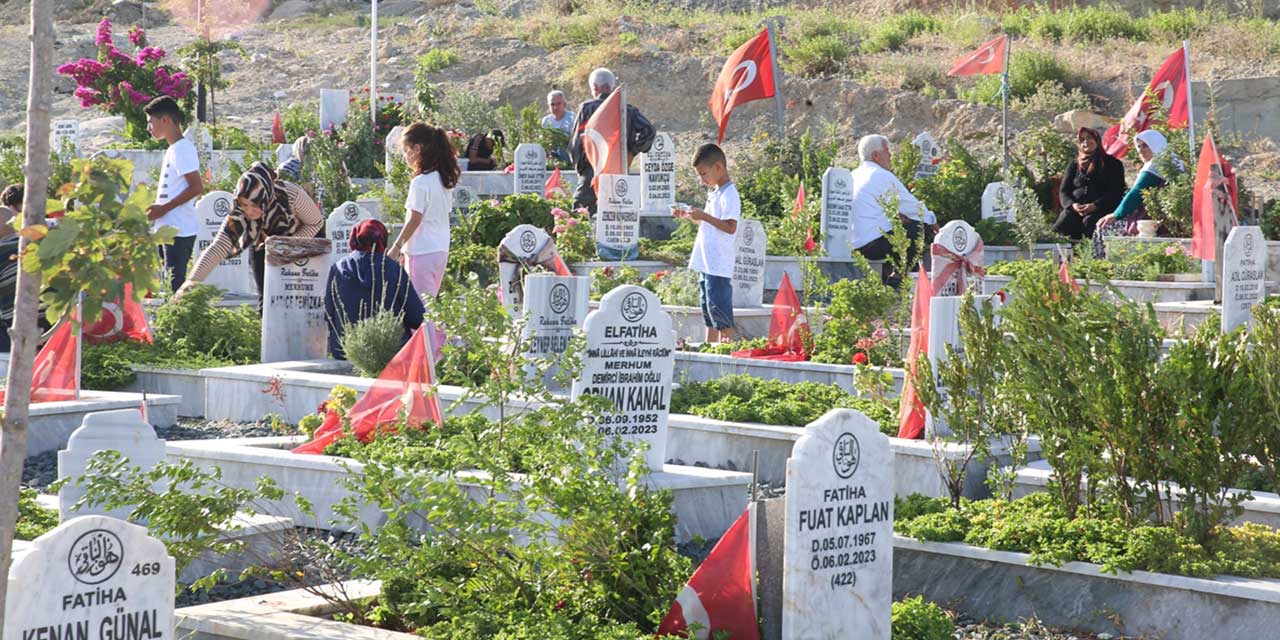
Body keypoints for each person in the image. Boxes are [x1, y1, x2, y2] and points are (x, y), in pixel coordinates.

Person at [175, 162, 324, 303]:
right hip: (263, 241)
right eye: (244, 205)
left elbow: (316, 222)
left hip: (304, 237)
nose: (249, 211)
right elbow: (219, 246)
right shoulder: (240, 213)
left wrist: (286, 247)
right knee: (266, 301)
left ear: (265, 198)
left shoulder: (292, 195)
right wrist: (191, 282)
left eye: (255, 205)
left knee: (300, 299)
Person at [324, 219, 425, 360]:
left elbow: (329, 314)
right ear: (382, 240)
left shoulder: (338, 268)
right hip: (391, 354)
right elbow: (417, 317)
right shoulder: (393, 269)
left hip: (346, 352)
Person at [849, 134, 936, 288]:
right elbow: (914, 208)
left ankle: (891, 272)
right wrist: (934, 222)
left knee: (901, 226)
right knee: (920, 228)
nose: (890, 154)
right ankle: (899, 276)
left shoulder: (853, 175)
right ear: (876, 155)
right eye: (886, 150)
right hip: (872, 244)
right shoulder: (881, 175)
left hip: (853, 244)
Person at [674, 144, 739, 343]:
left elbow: (730, 226)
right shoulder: (715, 192)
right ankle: (709, 345)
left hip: (718, 264)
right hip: (707, 261)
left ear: (718, 167)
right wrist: (689, 216)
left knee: (720, 310)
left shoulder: (729, 194)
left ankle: (724, 348)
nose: (702, 180)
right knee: (709, 309)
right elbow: (709, 223)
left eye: (704, 174)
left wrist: (704, 216)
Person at [388, 123, 460, 300]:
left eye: (406, 150)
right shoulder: (443, 180)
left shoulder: (420, 182)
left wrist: (396, 248)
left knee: (421, 313)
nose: (405, 156)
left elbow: (414, 219)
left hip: (421, 251)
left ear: (417, 149)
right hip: (440, 250)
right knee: (430, 309)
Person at [569, 67, 655, 213]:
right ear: (612, 87)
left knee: (580, 214)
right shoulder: (628, 111)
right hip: (619, 170)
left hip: (592, 170)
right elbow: (649, 131)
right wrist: (632, 151)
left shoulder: (587, 109)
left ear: (595, 88)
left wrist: (581, 168)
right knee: (617, 216)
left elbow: (577, 143)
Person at [144, 97, 203, 294]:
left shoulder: (183, 148)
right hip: (168, 229)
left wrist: (164, 208)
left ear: (165, 121)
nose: (149, 128)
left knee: (175, 288)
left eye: (150, 122)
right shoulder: (174, 148)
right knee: (168, 287)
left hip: (179, 231)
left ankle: (178, 324)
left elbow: (196, 187)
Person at [1097, 129, 1185, 233]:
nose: (1140, 150)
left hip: (1157, 221)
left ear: (1156, 145)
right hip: (1173, 220)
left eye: (1145, 146)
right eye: (1139, 146)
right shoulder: (1174, 161)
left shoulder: (1154, 166)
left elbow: (1136, 192)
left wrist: (1115, 215)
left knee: (1106, 229)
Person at [1052, 127, 1127, 240]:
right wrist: (1073, 205)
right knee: (1064, 222)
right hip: (1076, 210)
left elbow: (1116, 191)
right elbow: (1064, 191)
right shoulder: (1074, 165)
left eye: (1089, 138)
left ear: (1097, 140)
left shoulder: (1113, 164)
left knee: (1090, 223)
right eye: (1082, 140)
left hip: (1102, 209)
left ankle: (1089, 256)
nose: (1086, 142)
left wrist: (1095, 205)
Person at [541, 90, 575, 162]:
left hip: (568, 151)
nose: (555, 107)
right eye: (552, 104)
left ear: (564, 104)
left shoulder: (572, 118)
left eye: (558, 104)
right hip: (552, 152)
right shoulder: (546, 121)